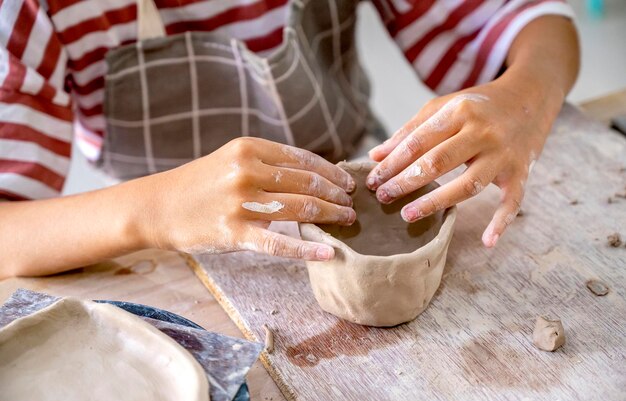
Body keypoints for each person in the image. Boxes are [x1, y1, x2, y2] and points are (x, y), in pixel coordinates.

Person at [0, 0, 579, 278]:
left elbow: (539, 23)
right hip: (163, 250)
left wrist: (524, 99)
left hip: (353, 167)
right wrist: (155, 210)